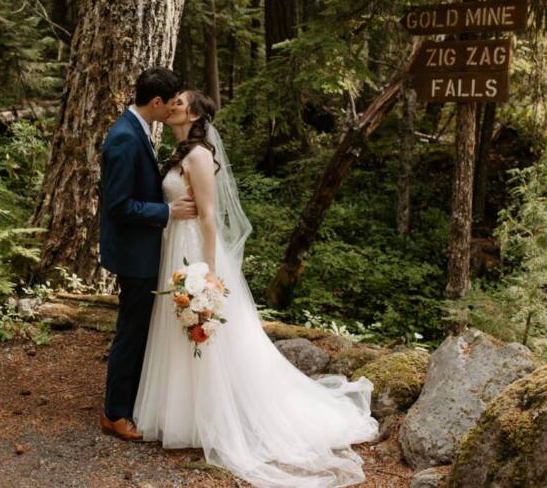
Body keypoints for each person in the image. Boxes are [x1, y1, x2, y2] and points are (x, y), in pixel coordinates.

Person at [132, 89, 380, 487]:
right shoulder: (180, 155)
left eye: (179, 103)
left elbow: (209, 217)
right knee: (178, 332)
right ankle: (181, 416)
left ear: (194, 114)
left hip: (195, 250)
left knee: (207, 334)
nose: (172, 106)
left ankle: (214, 419)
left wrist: (208, 274)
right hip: (175, 245)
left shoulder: (199, 156)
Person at [98, 67, 198, 441]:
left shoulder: (137, 129)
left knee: (139, 329)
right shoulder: (125, 138)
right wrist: (167, 212)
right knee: (132, 331)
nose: (173, 108)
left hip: (143, 250)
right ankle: (115, 413)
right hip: (134, 254)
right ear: (156, 101)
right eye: (171, 102)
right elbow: (119, 205)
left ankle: (130, 402)